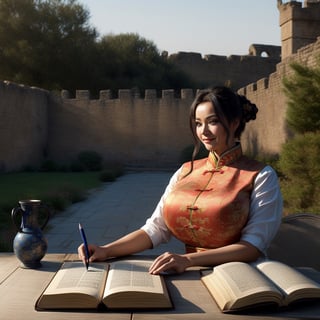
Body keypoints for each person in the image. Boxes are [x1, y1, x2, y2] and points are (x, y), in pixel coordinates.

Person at [78, 86, 283, 275]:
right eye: (198, 123)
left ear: (234, 123)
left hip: (243, 277)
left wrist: (188, 260)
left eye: (213, 122)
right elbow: (155, 229)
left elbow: (252, 247)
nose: (203, 132)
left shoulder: (261, 176)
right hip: (191, 273)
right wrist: (106, 250)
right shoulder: (185, 171)